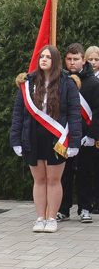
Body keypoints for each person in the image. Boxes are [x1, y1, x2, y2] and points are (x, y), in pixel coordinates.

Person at [10, 45, 81, 233]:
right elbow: (19, 113)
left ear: (55, 60)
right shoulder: (28, 83)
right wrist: (15, 140)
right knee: (39, 180)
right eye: (42, 56)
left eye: (48, 57)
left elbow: (74, 114)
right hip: (33, 137)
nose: (43, 60)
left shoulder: (67, 83)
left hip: (56, 139)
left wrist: (74, 142)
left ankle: (52, 218)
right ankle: (40, 218)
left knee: (53, 180)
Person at [59, 43, 99, 222]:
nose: (72, 63)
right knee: (64, 174)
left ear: (84, 60)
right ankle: (63, 209)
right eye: (69, 59)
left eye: (76, 59)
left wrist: (92, 135)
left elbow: (97, 111)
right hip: (65, 136)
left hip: (85, 137)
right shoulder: (61, 80)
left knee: (85, 173)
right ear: (65, 60)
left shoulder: (93, 82)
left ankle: (85, 208)